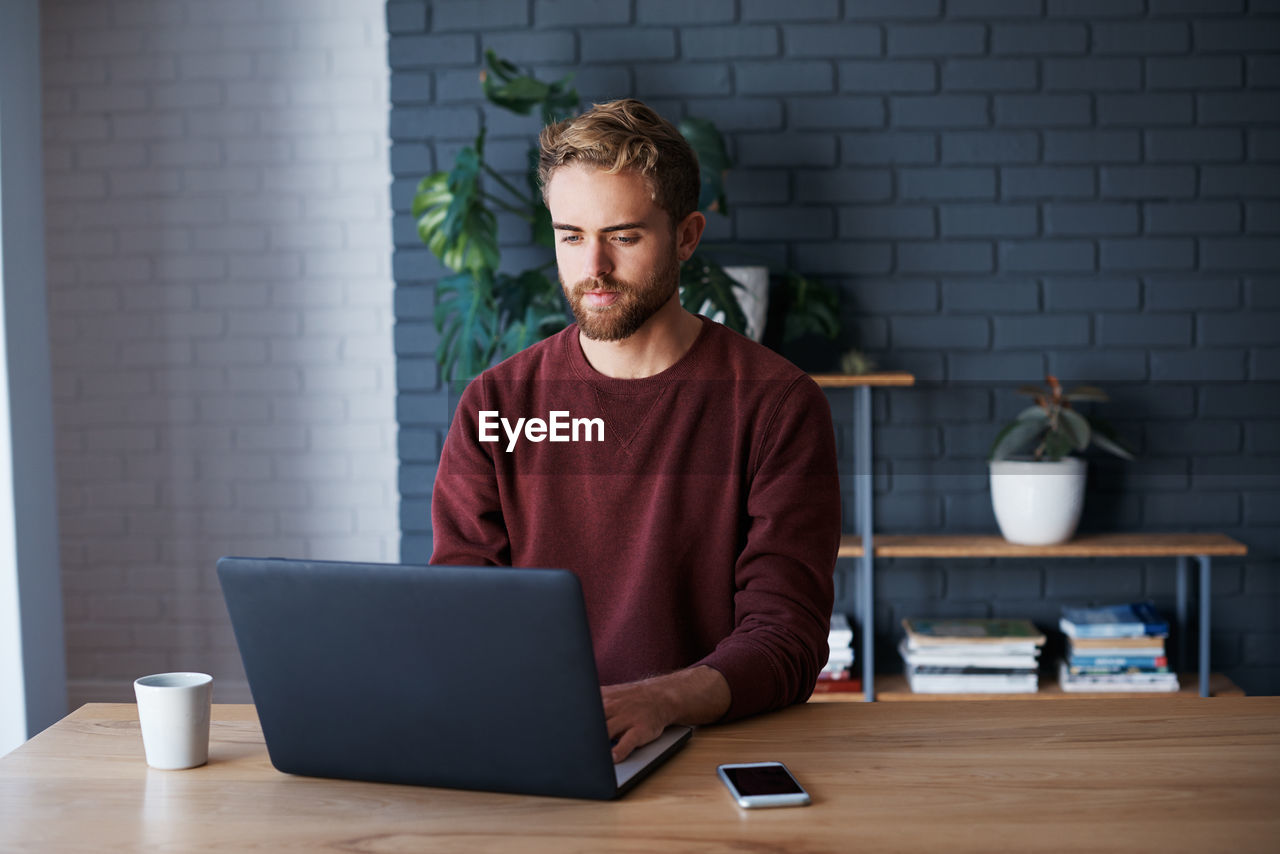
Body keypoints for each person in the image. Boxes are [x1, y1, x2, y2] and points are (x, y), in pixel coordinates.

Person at [430, 98, 841, 762]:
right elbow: (463, 615)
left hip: (708, 749)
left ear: (686, 236)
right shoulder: (495, 408)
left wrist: (657, 701)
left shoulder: (776, 405)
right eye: (570, 235)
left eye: (622, 236)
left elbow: (785, 637)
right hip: (539, 745)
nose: (592, 266)